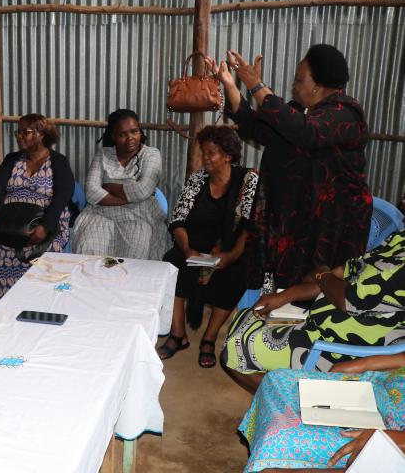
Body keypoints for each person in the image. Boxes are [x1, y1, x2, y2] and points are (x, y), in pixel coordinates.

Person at [206, 44, 372, 294]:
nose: (293, 85)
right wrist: (230, 84)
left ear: (317, 85)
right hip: (300, 220)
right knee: (290, 291)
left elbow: (305, 131)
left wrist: (256, 85)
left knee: (324, 293)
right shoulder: (301, 112)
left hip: (333, 224)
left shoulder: (346, 113)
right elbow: (258, 128)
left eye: (299, 79)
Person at [221, 229, 405, 393]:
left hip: (344, 348)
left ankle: (289, 406)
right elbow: (340, 275)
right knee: (244, 318)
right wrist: (284, 296)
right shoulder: (400, 239)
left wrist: (322, 275)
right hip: (321, 325)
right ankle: (289, 400)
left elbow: (347, 299)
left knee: (234, 351)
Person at [156, 126, 258, 368]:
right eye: (203, 152)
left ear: (228, 155)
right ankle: (178, 334)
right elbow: (178, 220)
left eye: (211, 153)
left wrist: (230, 256)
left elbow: (250, 226)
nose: (205, 158)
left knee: (237, 273)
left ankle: (209, 338)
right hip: (193, 247)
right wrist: (188, 250)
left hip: (230, 249)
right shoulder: (197, 179)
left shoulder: (247, 180)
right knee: (171, 264)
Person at [238, 353, 405, 472]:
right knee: (276, 379)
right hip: (383, 385)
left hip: (393, 427)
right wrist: (364, 364)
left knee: (279, 437)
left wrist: (389, 439)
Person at [0, 113, 74, 308]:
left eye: (25, 132)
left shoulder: (58, 161)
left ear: (41, 134)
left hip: (45, 217)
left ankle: (36, 300)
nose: (19, 136)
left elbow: (63, 195)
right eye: (18, 133)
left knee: (48, 245)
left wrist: (46, 226)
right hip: (11, 217)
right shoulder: (12, 159)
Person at [71, 109, 169, 260]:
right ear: (113, 136)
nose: (130, 138)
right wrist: (129, 196)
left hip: (139, 215)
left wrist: (109, 187)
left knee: (134, 256)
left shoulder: (151, 154)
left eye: (134, 131)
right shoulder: (103, 154)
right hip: (100, 214)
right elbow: (91, 192)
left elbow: (143, 190)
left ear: (140, 131)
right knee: (88, 249)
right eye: (123, 134)